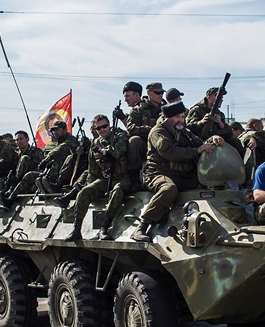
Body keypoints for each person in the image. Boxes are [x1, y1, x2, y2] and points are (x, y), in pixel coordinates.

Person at [132, 101, 223, 242]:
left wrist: (213, 140)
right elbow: (169, 152)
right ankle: (142, 226)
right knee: (169, 189)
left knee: (209, 185)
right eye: (177, 117)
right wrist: (197, 151)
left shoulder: (183, 132)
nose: (181, 120)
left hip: (179, 174)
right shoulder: (158, 132)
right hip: (157, 173)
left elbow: (199, 143)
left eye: (182, 116)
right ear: (168, 117)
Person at [66, 115, 130, 241]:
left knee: (117, 191)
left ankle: (104, 228)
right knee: (84, 192)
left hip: (123, 177)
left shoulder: (119, 136)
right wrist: (90, 189)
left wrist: (104, 150)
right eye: (99, 128)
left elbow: (117, 151)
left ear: (109, 125)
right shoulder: (94, 144)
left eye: (105, 126)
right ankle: (76, 228)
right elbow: (92, 171)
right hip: (106, 179)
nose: (102, 130)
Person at [7, 120, 77, 200]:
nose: (55, 132)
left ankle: (53, 185)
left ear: (65, 130)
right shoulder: (57, 143)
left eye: (58, 130)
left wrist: (45, 160)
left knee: (58, 157)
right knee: (29, 176)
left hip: (64, 175)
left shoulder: (71, 140)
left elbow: (60, 149)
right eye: (53, 131)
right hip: (49, 174)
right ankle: (11, 199)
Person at [186, 87, 244, 154]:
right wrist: (201, 122)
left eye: (221, 97)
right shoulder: (197, 110)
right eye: (217, 96)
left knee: (235, 142)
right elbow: (188, 128)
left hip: (216, 139)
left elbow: (228, 133)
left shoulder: (219, 114)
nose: (221, 99)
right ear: (209, 97)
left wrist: (221, 124)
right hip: (199, 140)